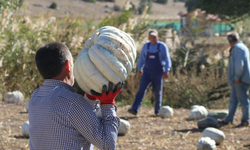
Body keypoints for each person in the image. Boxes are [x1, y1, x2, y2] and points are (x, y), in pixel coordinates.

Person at [28, 42, 122, 150]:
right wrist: (108, 103)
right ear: (68, 66)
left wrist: (90, 98)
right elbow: (108, 145)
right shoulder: (72, 102)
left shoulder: (35, 97)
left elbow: (74, 125)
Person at [128, 29, 172, 116]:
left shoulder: (162, 46)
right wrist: (139, 68)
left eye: (154, 37)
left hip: (158, 73)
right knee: (141, 90)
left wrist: (166, 70)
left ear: (157, 37)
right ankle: (135, 109)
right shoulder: (146, 46)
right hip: (147, 72)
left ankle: (157, 111)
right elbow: (141, 59)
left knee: (157, 92)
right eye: (151, 37)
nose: (153, 39)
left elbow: (167, 59)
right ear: (148, 37)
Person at [220, 32, 250, 127]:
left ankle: (245, 120)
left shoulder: (238, 48)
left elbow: (239, 65)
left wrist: (237, 77)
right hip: (237, 79)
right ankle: (229, 119)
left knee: (244, 100)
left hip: (240, 79)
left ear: (230, 41)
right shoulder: (241, 47)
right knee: (233, 100)